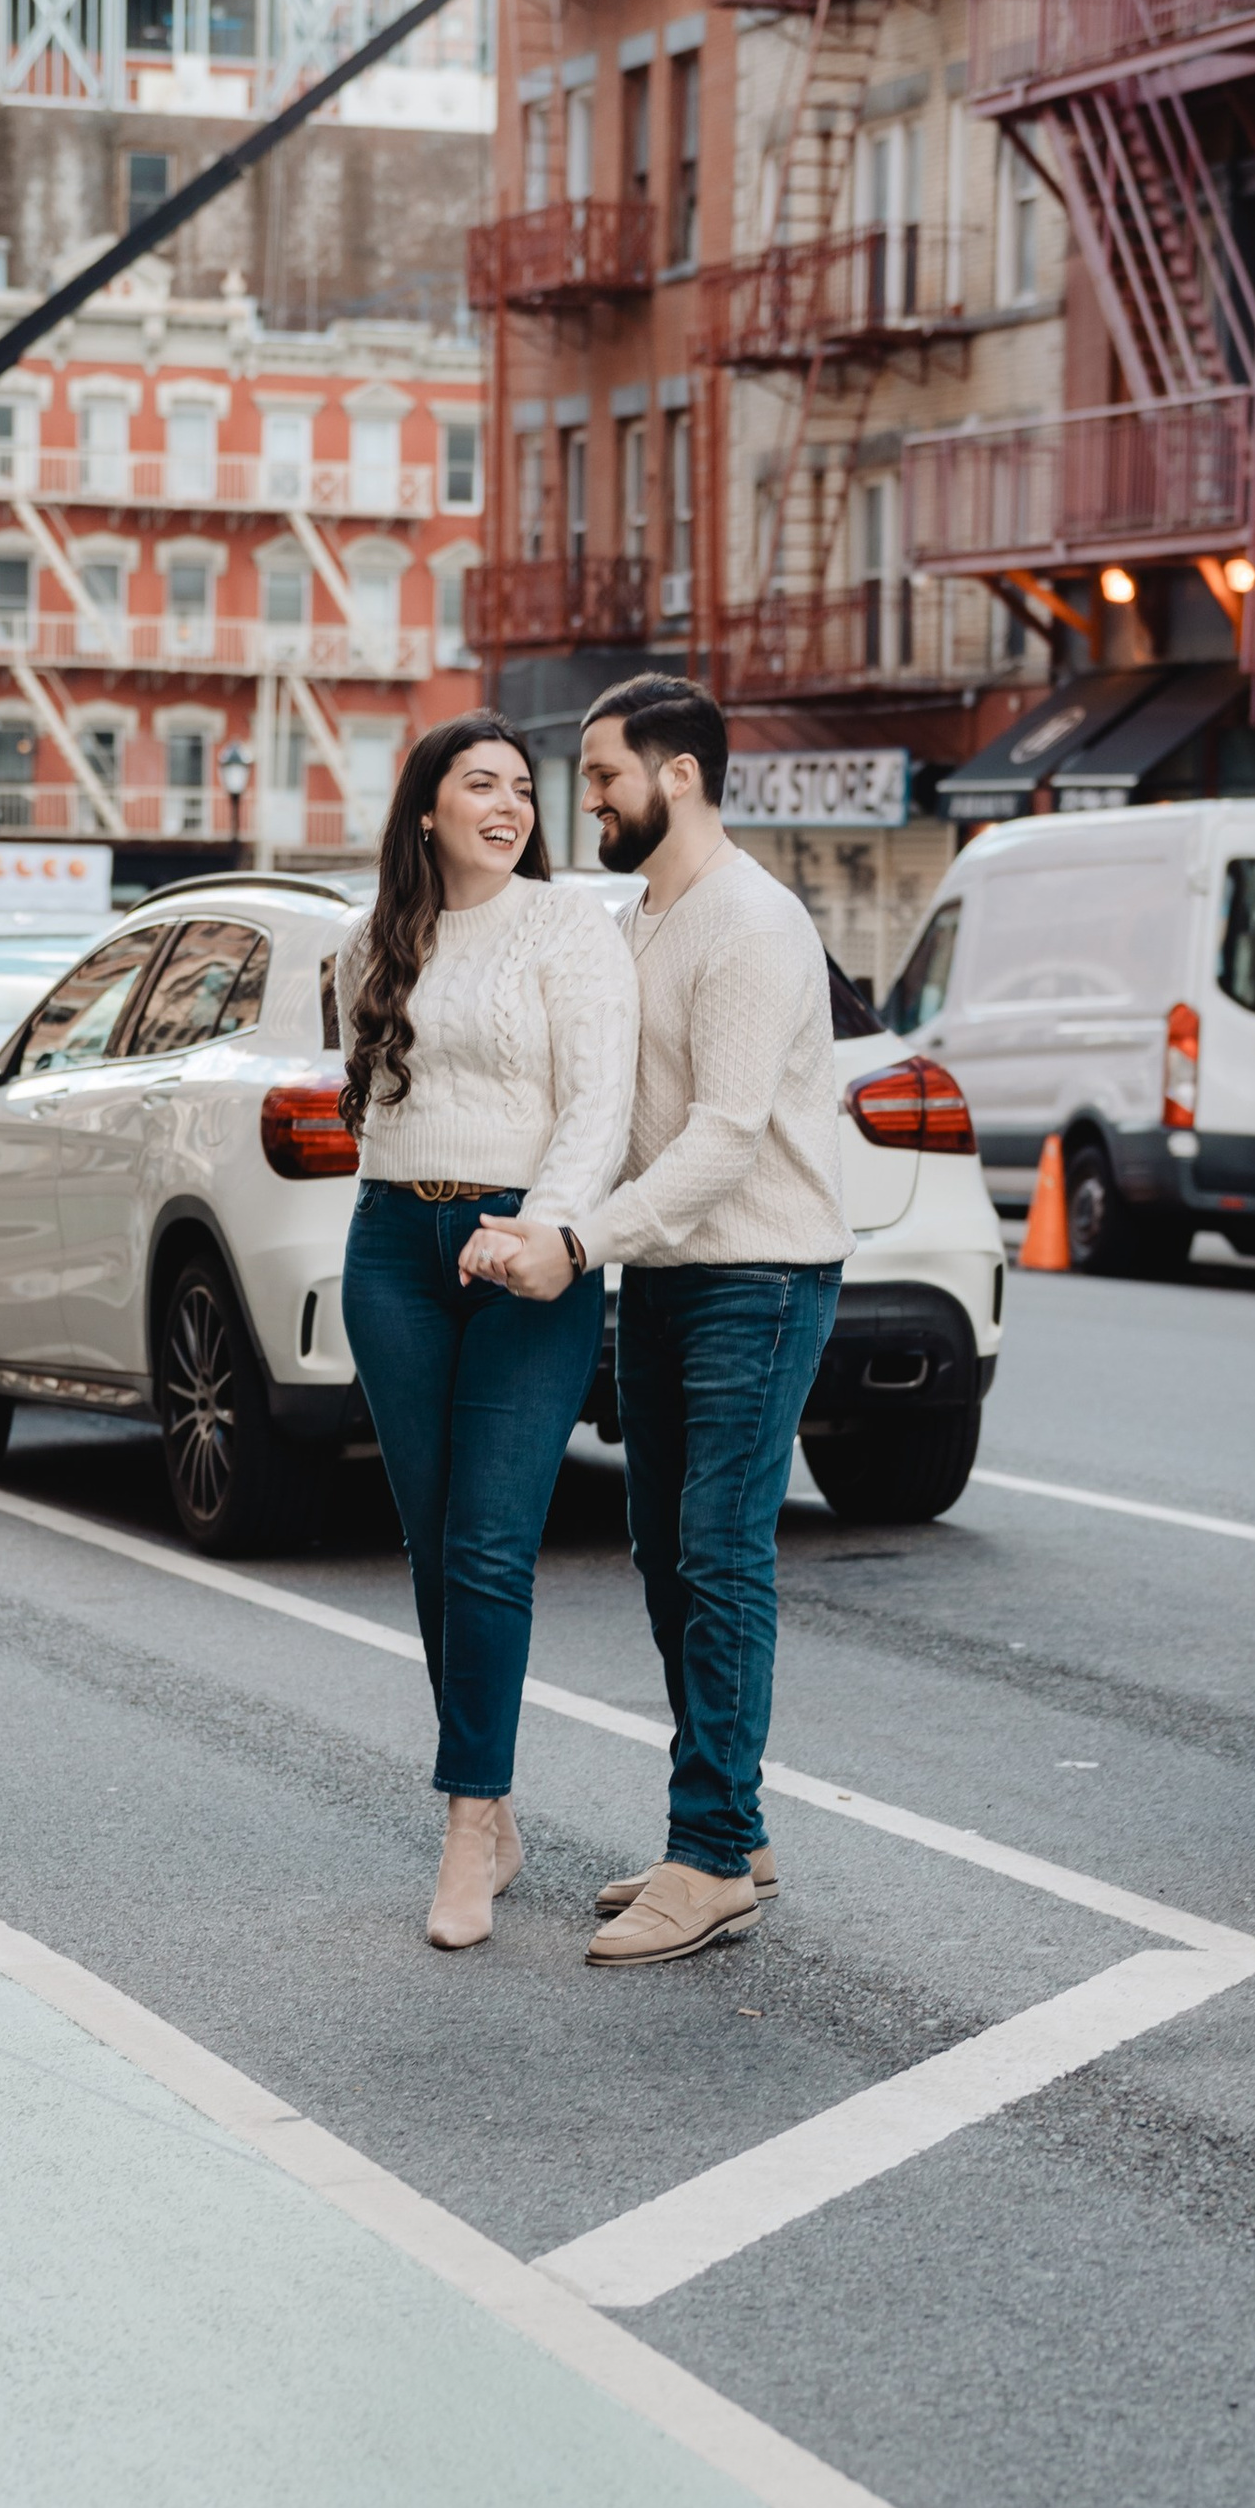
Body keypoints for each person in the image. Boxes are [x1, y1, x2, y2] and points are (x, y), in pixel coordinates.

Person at [464, 674, 848, 1968]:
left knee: (720, 1554)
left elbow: (726, 1137)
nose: (589, 800)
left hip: (761, 1276)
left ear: (677, 775)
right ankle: (732, 1831)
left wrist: (579, 1242)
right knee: (665, 1553)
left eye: (604, 775)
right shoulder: (635, 921)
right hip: (671, 1276)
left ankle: (712, 1854)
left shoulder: (750, 921)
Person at [338, 711, 638, 1953]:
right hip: (391, 1250)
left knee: (489, 1547)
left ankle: (467, 1824)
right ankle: (493, 1806)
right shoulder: (368, 941)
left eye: (522, 786)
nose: (510, 804)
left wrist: (541, 1230)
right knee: (430, 1544)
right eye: (480, 784)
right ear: (427, 810)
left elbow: (599, 1103)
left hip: (525, 1252)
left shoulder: (568, 926)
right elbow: (373, 1105)